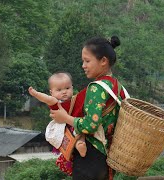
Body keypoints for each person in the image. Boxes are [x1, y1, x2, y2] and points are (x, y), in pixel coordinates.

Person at [50, 36, 128, 180]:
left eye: (87, 61)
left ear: (103, 61)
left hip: (91, 156)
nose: (83, 65)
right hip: (106, 157)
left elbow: (90, 125)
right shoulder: (117, 87)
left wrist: (65, 118)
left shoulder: (96, 88)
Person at [29, 72, 107, 158]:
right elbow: (47, 99)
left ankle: (80, 144)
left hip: (76, 125)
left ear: (72, 88)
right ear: (51, 92)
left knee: (81, 133)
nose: (64, 92)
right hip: (63, 128)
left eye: (67, 88)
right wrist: (36, 94)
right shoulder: (56, 102)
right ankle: (77, 146)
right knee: (71, 136)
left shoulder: (76, 100)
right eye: (59, 90)